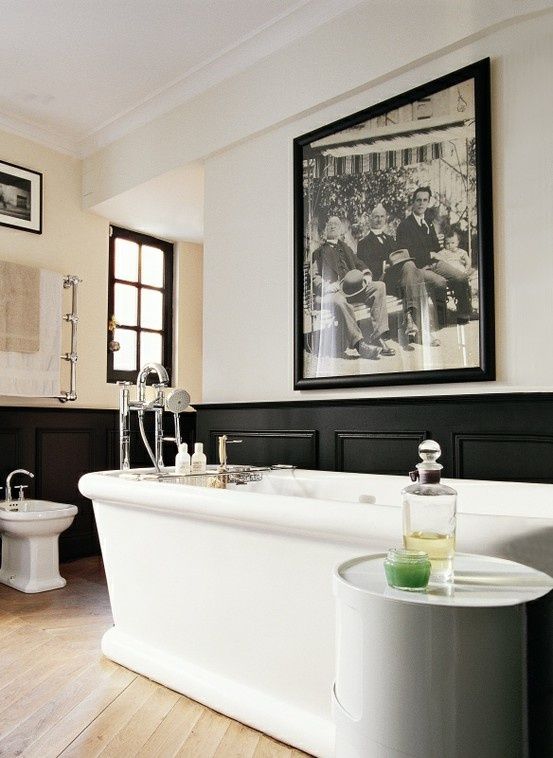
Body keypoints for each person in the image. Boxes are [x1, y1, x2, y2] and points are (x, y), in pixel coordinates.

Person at [312, 216, 395, 359]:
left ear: (340, 229)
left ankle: (378, 336)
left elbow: (359, 263)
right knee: (340, 301)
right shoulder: (318, 252)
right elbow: (315, 276)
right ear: (325, 229)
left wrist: (367, 274)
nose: (333, 226)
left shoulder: (346, 248)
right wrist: (326, 286)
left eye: (336, 224)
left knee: (379, 286)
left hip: (353, 289)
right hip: (334, 292)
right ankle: (359, 344)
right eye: (330, 224)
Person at [396, 186, 473, 325]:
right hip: (419, 267)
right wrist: (428, 253)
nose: (421, 203)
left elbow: (436, 249)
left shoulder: (428, 224)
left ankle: (464, 313)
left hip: (434, 263)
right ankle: (441, 317)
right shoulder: (405, 226)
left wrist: (442, 249)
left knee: (461, 277)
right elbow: (404, 253)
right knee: (440, 282)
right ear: (413, 202)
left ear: (428, 202)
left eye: (425, 200)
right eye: (418, 200)